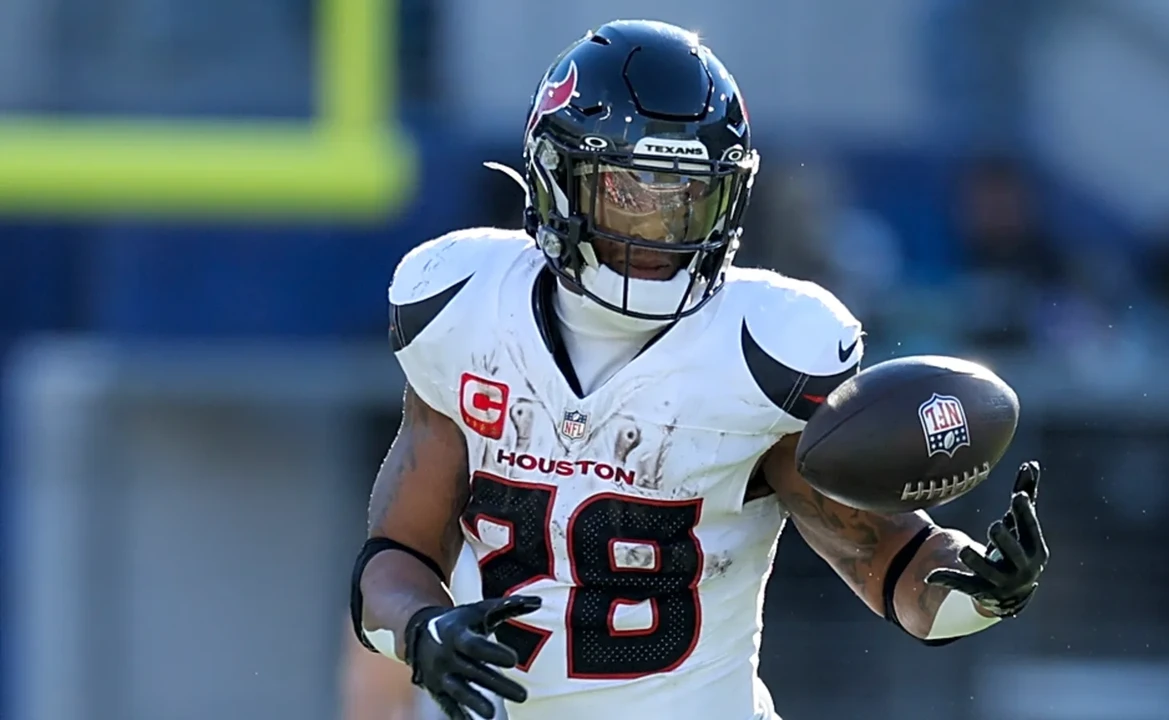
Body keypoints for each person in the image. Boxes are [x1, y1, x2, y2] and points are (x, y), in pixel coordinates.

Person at [349, 19, 1048, 720]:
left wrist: (981, 590)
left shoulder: (761, 354)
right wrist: (421, 627)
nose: (657, 230)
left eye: (686, 197)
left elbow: (890, 561)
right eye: (628, 193)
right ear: (556, 179)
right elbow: (395, 554)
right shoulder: (464, 309)